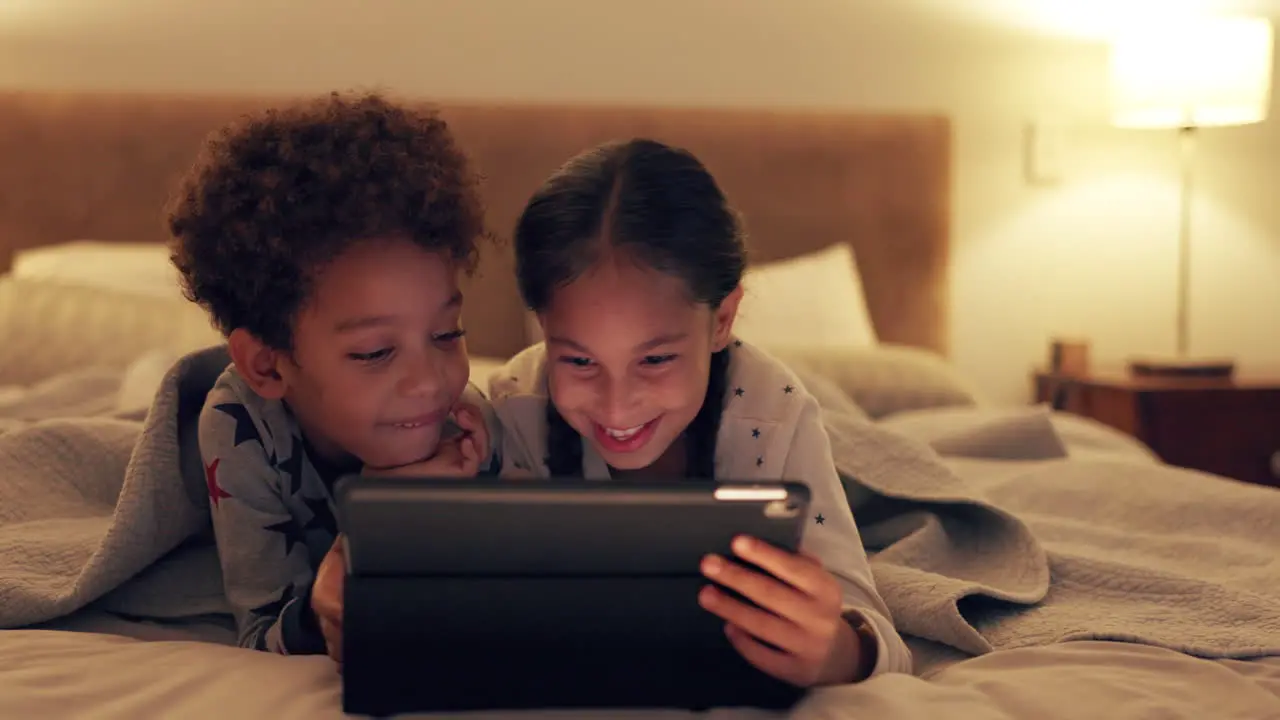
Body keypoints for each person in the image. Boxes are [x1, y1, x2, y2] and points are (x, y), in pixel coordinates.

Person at [489, 138, 911, 686]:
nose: (617, 406)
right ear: (544, 327)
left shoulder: (772, 415)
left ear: (722, 320)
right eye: (579, 360)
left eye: (657, 358)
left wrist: (834, 651)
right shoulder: (513, 409)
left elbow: (877, 634)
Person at [168, 92, 498, 663]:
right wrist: (380, 514)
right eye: (374, 352)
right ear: (269, 365)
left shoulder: (467, 429)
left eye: (447, 334)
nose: (429, 381)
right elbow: (264, 632)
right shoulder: (239, 428)